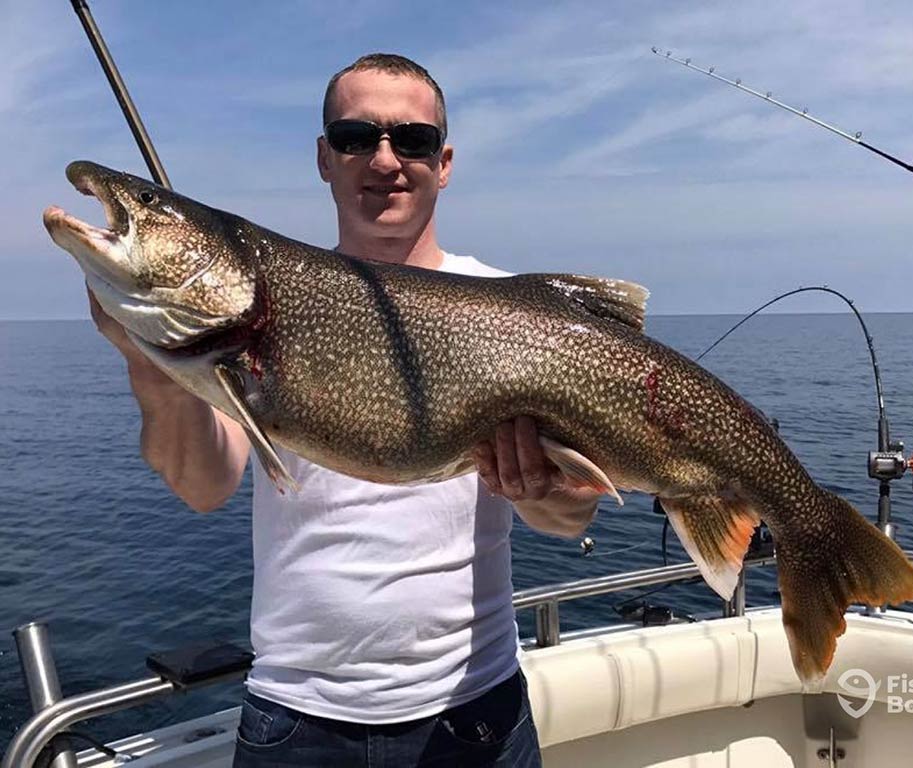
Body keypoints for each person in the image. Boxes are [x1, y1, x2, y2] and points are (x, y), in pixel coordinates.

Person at [87, 52, 601, 767]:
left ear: (443, 162)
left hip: (473, 713)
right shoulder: (265, 305)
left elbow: (570, 516)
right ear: (325, 158)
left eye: (412, 140)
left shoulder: (509, 309)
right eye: (358, 137)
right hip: (297, 718)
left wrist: (544, 490)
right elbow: (203, 486)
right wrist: (153, 362)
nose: (385, 159)